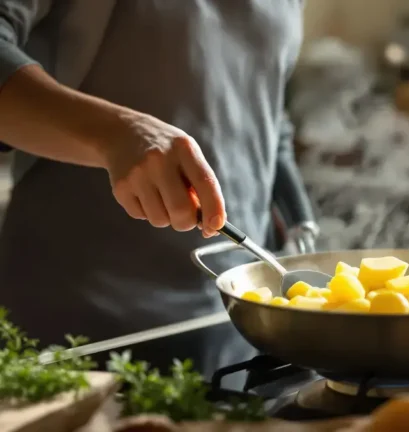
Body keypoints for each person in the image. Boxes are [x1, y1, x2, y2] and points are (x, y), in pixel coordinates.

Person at [0, 0, 316, 377]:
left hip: (234, 320)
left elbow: (265, 107)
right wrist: (116, 134)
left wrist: (299, 220)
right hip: (81, 328)